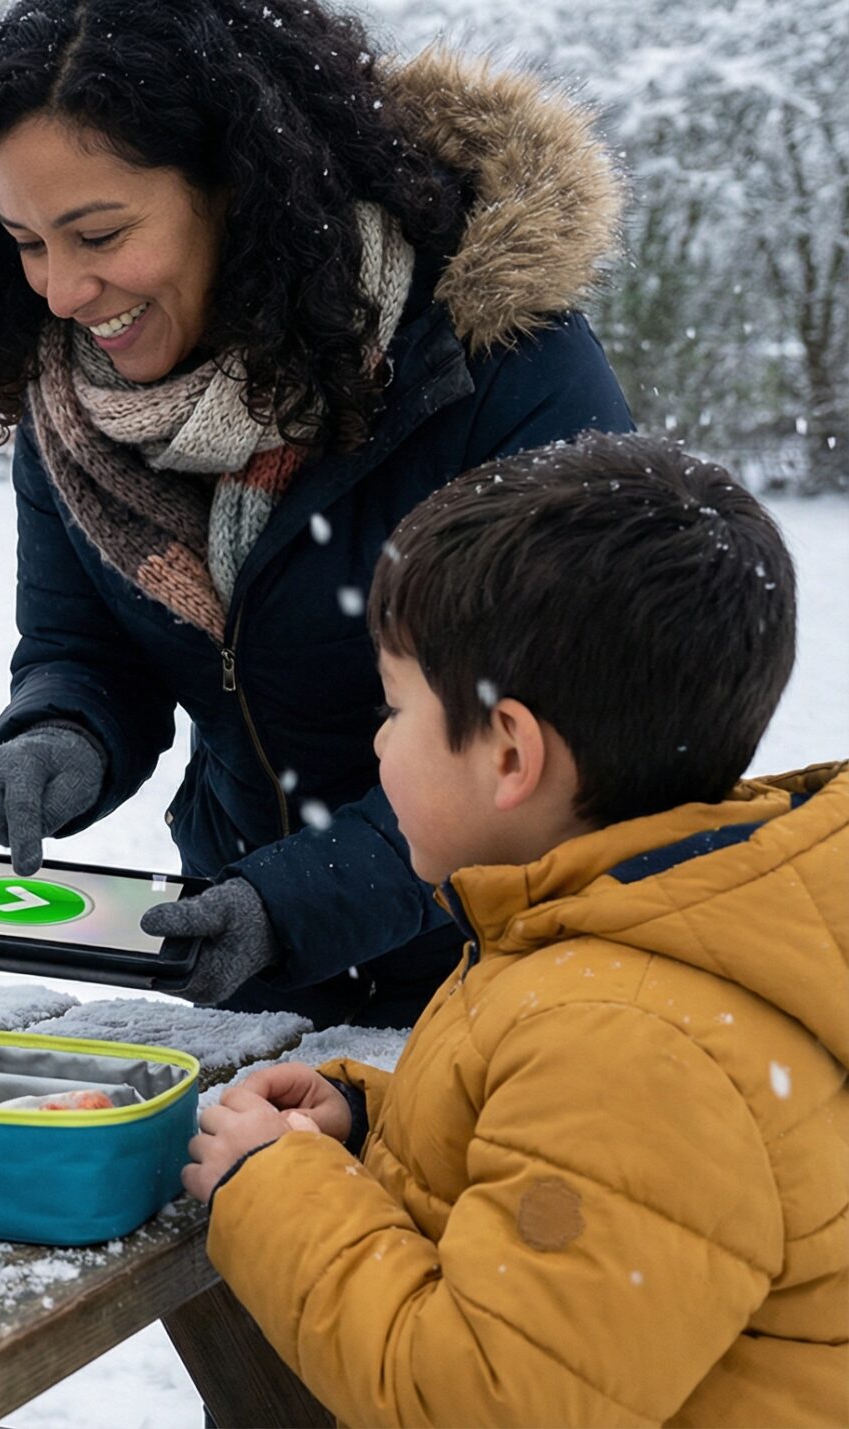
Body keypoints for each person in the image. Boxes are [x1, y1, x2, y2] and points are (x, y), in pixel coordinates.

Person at [0, 0, 636, 1026]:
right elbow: (86, 645)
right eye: (26, 242)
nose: (62, 290)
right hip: (250, 963)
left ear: (240, 193)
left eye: (99, 233)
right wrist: (61, 732)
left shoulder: (495, 369)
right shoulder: (75, 405)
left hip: (516, 977)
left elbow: (556, 743)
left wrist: (300, 899)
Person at [184, 433, 844, 1423]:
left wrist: (279, 1188)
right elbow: (559, 1165)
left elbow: (478, 1402)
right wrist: (368, 1127)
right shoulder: (632, 931)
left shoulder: (631, 1043)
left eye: (393, 707)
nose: (377, 740)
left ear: (507, 754)